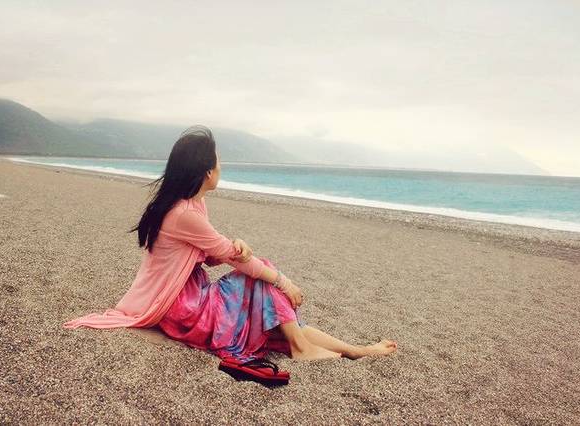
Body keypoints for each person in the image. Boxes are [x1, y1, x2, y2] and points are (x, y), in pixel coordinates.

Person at [63, 125, 398, 362]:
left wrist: (234, 245)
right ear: (207, 172)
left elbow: (210, 255)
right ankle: (304, 347)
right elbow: (233, 259)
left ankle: (353, 350)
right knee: (264, 278)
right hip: (184, 309)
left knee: (274, 318)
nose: (221, 167)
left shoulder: (192, 205)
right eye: (218, 162)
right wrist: (284, 281)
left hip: (192, 297)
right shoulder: (183, 213)